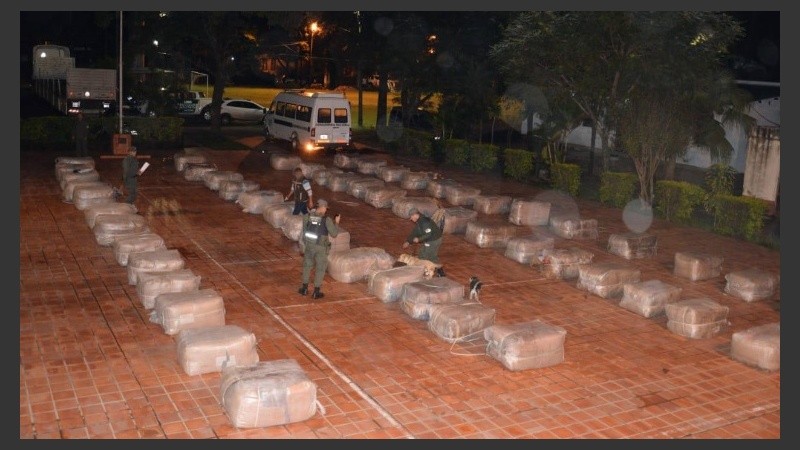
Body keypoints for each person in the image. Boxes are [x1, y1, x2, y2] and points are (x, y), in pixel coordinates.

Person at [298, 199, 340, 299]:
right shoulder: (326, 220)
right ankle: (316, 292)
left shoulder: (307, 216)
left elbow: (304, 232)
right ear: (322, 207)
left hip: (309, 246)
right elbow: (334, 234)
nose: (326, 210)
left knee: (307, 266)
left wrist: (306, 244)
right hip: (321, 248)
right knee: (320, 268)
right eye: (326, 208)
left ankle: (304, 288)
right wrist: (337, 223)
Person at [403, 208, 445, 277]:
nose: (411, 219)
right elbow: (415, 232)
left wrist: (419, 239)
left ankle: (430, 272)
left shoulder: (424, 222)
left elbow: (428, 234)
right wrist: (408, 241)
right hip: (430, 240)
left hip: (434, 240)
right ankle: (438, 271)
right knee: (424, 255)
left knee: (426, 256)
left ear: (415, 215)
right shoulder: (419, 221)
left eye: (411, 217)